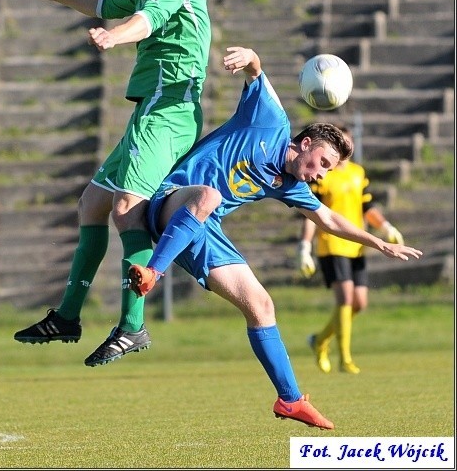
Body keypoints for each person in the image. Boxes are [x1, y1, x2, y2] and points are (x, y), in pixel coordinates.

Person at [127, 46, 422, 430]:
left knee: (262, 306)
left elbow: (329, 219)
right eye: (323, 164)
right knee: (209, 196)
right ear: (304, 144)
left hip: (202, 229)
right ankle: (153, 273)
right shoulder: (270, 120)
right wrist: (250, 56)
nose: (321, 175)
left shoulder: (289, 184)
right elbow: (255, 71)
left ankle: (290, 399)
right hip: (169, 202)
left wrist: (380, 243)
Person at [13, 0, 212, 367]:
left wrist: (114, 39)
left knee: (126, 208)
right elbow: (104, 2)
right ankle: (67, 316)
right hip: (151, 109)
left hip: (168, 109)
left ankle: (132, 326)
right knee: (93, 204)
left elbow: (145, 21)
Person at [296, 126, 405, 375]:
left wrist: (386, 227)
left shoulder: (358, 173)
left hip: (357, 246)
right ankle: (345, 359)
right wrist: (304, 247)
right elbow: (312, 213)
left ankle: (320, 340)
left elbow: (368, 207)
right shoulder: (324, 174)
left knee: (360, 303)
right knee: (344, 298)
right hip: (332, 243)